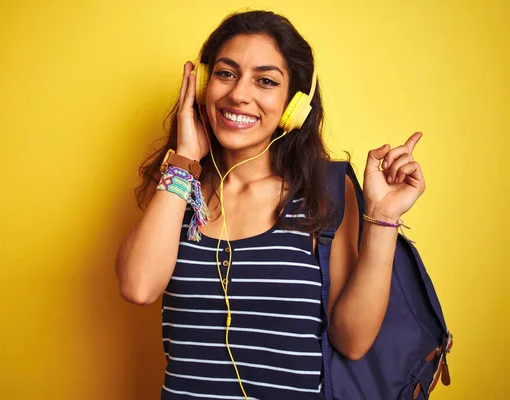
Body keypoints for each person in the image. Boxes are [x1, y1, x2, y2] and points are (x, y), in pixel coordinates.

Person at [115, 10, 425, 400]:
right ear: (202, 86)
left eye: (265, 81)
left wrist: (382, 217)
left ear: (295, 104)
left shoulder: (324, 191)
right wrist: (183, 159)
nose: (239, 94)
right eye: (226, 74)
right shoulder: (180, 188)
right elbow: (139, 287)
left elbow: (352, 340)